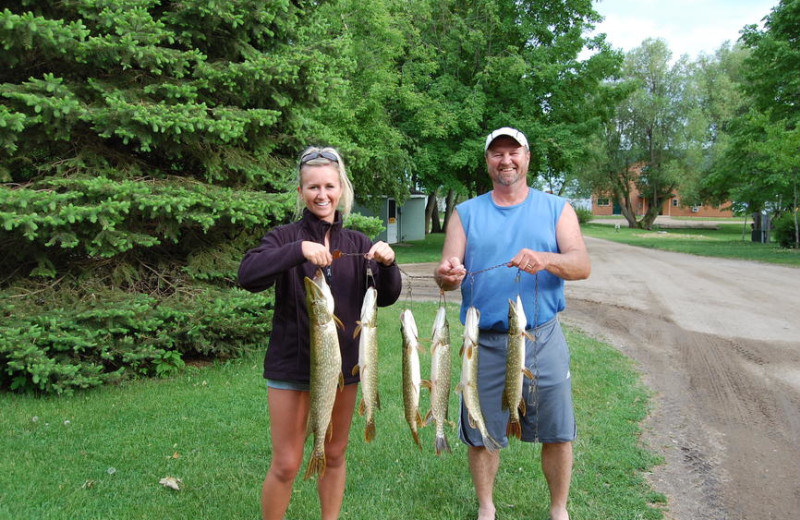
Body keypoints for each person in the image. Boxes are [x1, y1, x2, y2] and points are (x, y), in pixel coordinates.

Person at [434, 127, 591, 520]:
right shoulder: (465, 213)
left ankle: (559, 509)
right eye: (497, 153)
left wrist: (546, 258)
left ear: (527, 157)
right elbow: (445, 273)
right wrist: (447, 276)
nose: (506, 160)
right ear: (487, 161)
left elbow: (581, 265)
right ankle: (486, 507)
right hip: (482, 341)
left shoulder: (557, 209)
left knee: (557, 429)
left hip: (542, 337)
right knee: (482, 429)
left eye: (513, 152)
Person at [238, 146, 402, 520]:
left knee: (334, 453)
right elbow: (248, 276)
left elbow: (388, 296)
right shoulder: (283, 238)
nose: (322, 194)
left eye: (330, 185)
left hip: (343, 370)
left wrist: (390, 265)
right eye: (313, 187)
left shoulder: (359, 244)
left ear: (342, 188)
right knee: (286, 463)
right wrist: (299, 249)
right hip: (291, 369)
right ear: (300, 192)